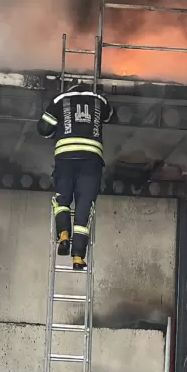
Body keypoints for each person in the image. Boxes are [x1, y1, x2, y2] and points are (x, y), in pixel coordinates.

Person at [37, 81, 113, 270]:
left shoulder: (60, 99)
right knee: (85, 207)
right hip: (91, 160)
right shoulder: (100, 100)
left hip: (66, 157)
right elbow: (110, 115)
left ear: (68, 87)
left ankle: (63, 233)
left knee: (62, 199)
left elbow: (43, 128)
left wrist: (57, 131)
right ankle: (78, 257)